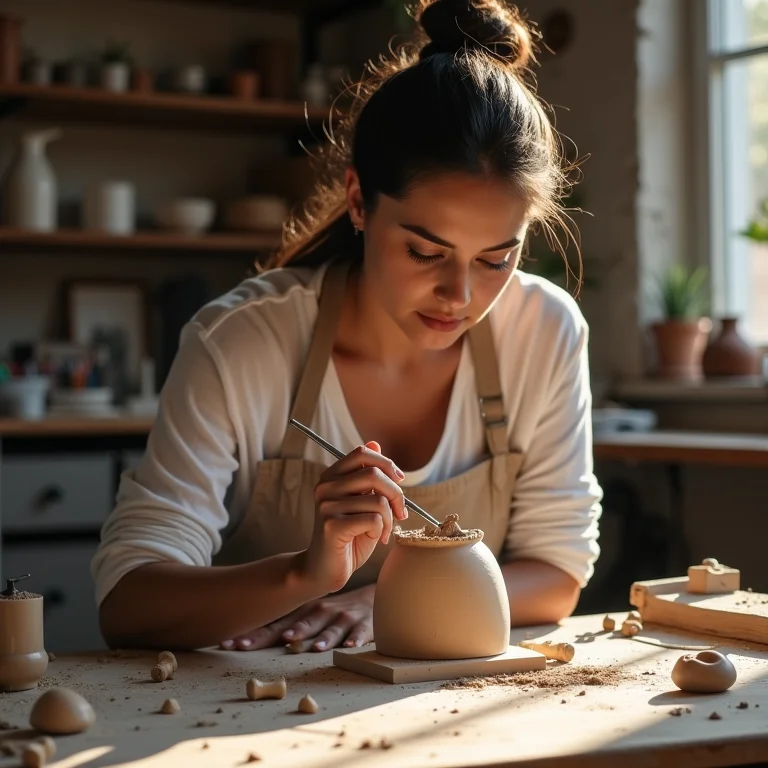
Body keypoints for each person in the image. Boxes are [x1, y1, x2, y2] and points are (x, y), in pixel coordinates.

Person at [92, 0, 603, 653]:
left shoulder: (543, 330)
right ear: (360, 201)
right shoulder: (242, 344)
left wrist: (387, 600)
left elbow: (558, 572)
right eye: (425, 252)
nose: (460, 294)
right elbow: (129, 605)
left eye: (496, 258)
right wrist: (307, 574)